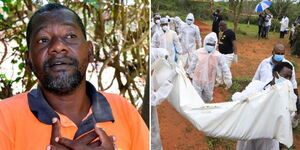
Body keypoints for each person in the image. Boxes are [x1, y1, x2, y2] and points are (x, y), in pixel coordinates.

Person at [0, 3, 149, 150]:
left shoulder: (123, 110)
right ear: (28, 60)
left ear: (90, 51)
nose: (58, 46)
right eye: (43, 40)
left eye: (70, 36)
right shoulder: (5, 117)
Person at [234, 62, 298, 150]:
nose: (287, 80)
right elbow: (237, 98)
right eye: (285, 76)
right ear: (275, 74)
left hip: (267, 140)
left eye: (289, 78)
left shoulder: (287, 98)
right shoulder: (256, 86)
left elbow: (290, 122)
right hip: (248, 133)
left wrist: (297, 114)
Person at [187, 32, 232, 102]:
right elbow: (193, 64)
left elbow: (224, 67)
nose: (210, 46)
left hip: (209, 81)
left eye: (212, 44)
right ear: (205, 43)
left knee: (207, 98)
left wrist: (228, 78)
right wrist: (188, 72)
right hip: (197, 80)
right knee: (196, 99)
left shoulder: (218, 56)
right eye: (208, 44)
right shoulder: (198, 52)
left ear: (215, 45)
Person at [150, 48, 177, 150]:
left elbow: (158, 52)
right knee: (153, 134)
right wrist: (169, 80)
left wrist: (166, 57)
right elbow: (154, 99)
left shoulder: (152, 54)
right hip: (150, 108)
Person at [216, 21, 237, 86]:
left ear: (224, 26)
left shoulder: (230, 32)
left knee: (226, 70)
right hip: (221, 54)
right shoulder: (223, 33)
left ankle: (228, 84)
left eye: (220, 26)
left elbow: (234, 43)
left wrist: (235, 54)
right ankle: (219, 82)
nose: (219, 28)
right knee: (219, 69)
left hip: (227, 55)